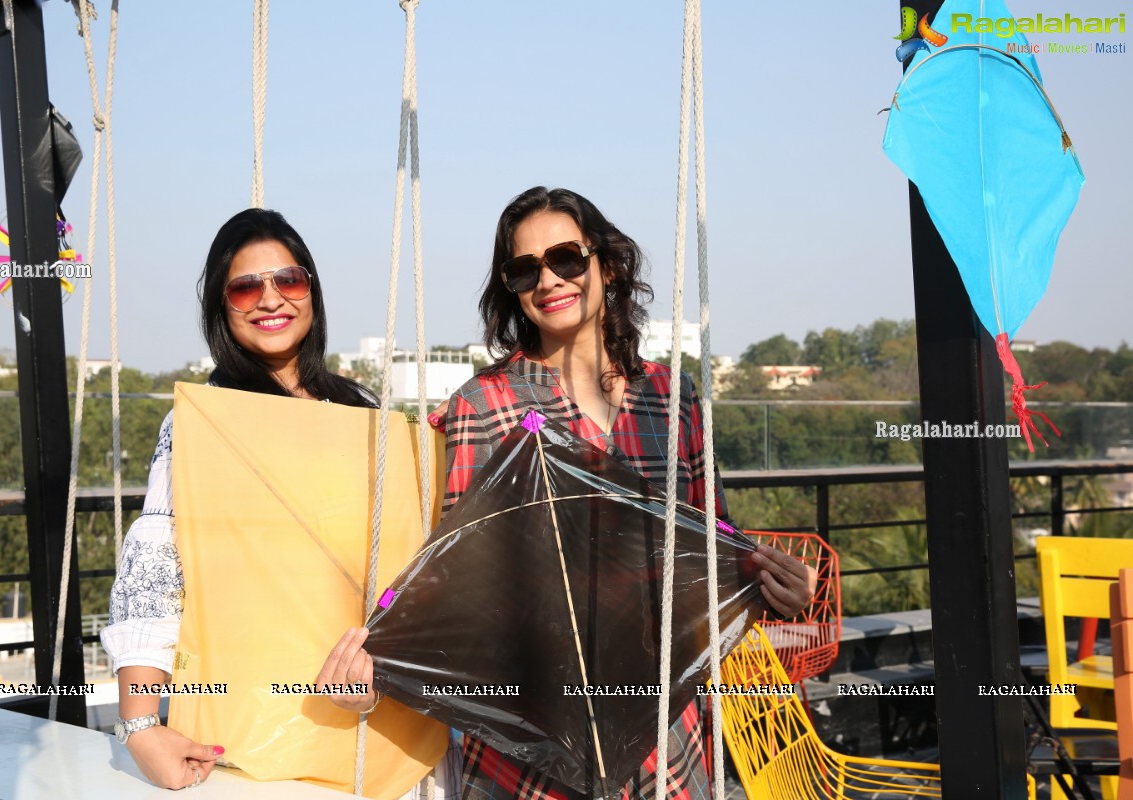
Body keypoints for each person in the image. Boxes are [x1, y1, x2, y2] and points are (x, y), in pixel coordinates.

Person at [325, 187, 816, 800]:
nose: (548, 279)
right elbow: (458, 584)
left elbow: (713, 556)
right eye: (524, 268)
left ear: (606, 266)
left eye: (566, 257)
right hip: (530, 749)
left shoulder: (672, 400)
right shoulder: (487, 406)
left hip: (667, 739)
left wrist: (775, 589)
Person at [101, 208, 458, 793]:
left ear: (311, 292)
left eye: (288, 280)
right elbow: (154, 567)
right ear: (221, 306)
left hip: (384, 728)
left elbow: (412, 563)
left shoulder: (363, 409)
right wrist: (140, 725)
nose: (270, 300)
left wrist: (389, 665)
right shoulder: (204, 423)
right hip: (252, 738)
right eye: (245, 286)